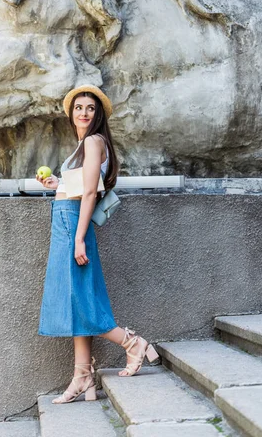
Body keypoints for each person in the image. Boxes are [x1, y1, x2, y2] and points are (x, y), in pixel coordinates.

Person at [36, 84, 159, 404]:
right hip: (66, 220)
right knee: (77, 301)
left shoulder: (93, 141)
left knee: (81, 302)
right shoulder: (84, 145)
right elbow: (79, 187)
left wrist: (78, 238)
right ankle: (82, 376)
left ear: (98, 113)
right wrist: (57, 184)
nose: (83, 112)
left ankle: (134, 344)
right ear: (71, 113)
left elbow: (90, 193)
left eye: (90, 108)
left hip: (72, 226)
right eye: (78, 107)